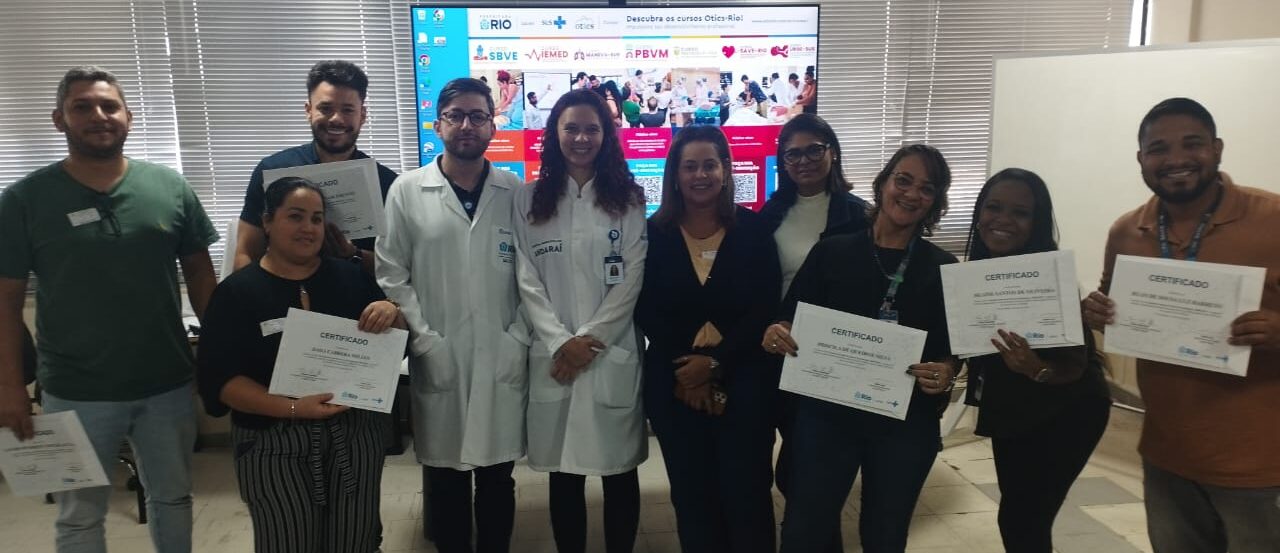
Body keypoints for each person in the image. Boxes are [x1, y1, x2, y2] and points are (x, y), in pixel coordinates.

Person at [0, 65, 219, 553]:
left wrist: (221, 357)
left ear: (129, 117)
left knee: (173, 498)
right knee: (79, 516)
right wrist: (8, 386)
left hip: (167, 383)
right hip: (76, 389)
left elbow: (203, 276)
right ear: (59, 119)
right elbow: (6, 300)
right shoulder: (23, 200)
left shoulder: (169, 188)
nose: (99, 116)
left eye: (109, 106)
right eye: (83, 107)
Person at [1082, 97, 1280, 553]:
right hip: (1167, 457)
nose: (1175, 160)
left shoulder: (1272, 219)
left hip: (1261, 466)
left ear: (1217, 148)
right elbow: (1115, 311)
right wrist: (1100, 315)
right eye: (1158, 149)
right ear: (1141, 159)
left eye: (1192, 144)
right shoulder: (1128, 232)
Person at [767, 144, 958, 553]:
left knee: (885, 536)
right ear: (883, 183)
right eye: (903, 180)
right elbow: (790, 317)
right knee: (805, 531)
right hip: (828, 415)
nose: (910, 194)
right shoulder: (833, 251)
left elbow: (949, 351)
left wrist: (946, 370)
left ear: (935, 202)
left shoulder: (942, 268)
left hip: (904, 422)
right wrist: (777, 332)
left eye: (926, 188)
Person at [197, 176, 402, 553]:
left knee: (356, 541)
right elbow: (221, 381)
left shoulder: (351, 279)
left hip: (353, 436)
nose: (308, 228)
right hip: (272, 441)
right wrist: (293, 408)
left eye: (317, 219)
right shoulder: (237, 293)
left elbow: (393, 346)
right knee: (287, 541)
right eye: (295, 216)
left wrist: (392, 311)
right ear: (267, 222)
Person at [375, 78, 528, 553]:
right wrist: (424, 340)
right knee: (444, 478)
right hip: (436, 350)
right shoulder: (406, 190)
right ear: (437, 123)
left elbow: (533, 276)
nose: (466, 125)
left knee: (498, 476)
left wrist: (517, 337)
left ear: (491, 124)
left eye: (477, 116)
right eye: (456, 116)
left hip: (502, 350)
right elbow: (392, 272)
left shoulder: (514, 190)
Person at [513, 89, 648, 553]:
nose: (581, 137)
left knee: (618, 471)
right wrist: (558, 342)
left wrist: (586, 341)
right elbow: (525, 277)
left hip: (607, 355)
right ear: (554, 134)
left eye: (592, 128)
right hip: (555, 356)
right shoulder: (528, 198)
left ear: (606, 135)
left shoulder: (629, 199)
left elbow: (632, 277)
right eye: (571, 127)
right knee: (564, 473)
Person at [636, 126, 780, 553]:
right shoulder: (653, 233)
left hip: (747, 383)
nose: (701, 175)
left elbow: (764, 304)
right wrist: (690, 370)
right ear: (675, 174)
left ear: (726, 170)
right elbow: (643, 305)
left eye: (710, 165)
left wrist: (715, 364)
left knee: (748, 493)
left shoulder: (752, 229)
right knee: (693, 496)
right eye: (690, 166)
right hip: (675, 384)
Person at [962, 168, 1111, 552]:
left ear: (1037, 222)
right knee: (1016, 514)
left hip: (1067, 411)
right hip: (1012, 406)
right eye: (993, 207)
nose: (1003, 220)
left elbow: (1075, 366)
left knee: (1023, 519)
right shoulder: (975, 272)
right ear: (979, 214)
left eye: (1020, 213)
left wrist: (1036, 368)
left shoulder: (1052, 277)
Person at [233, 60, 397, 275]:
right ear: (308, 110)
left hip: (361, 304)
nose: (336, 119)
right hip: (284, 301)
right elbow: (246, 253)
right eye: (325, 108)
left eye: (348, 110)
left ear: (362, 115)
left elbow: (399, 269)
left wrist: (352, 254)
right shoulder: (272, 171)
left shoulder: (387, 183)